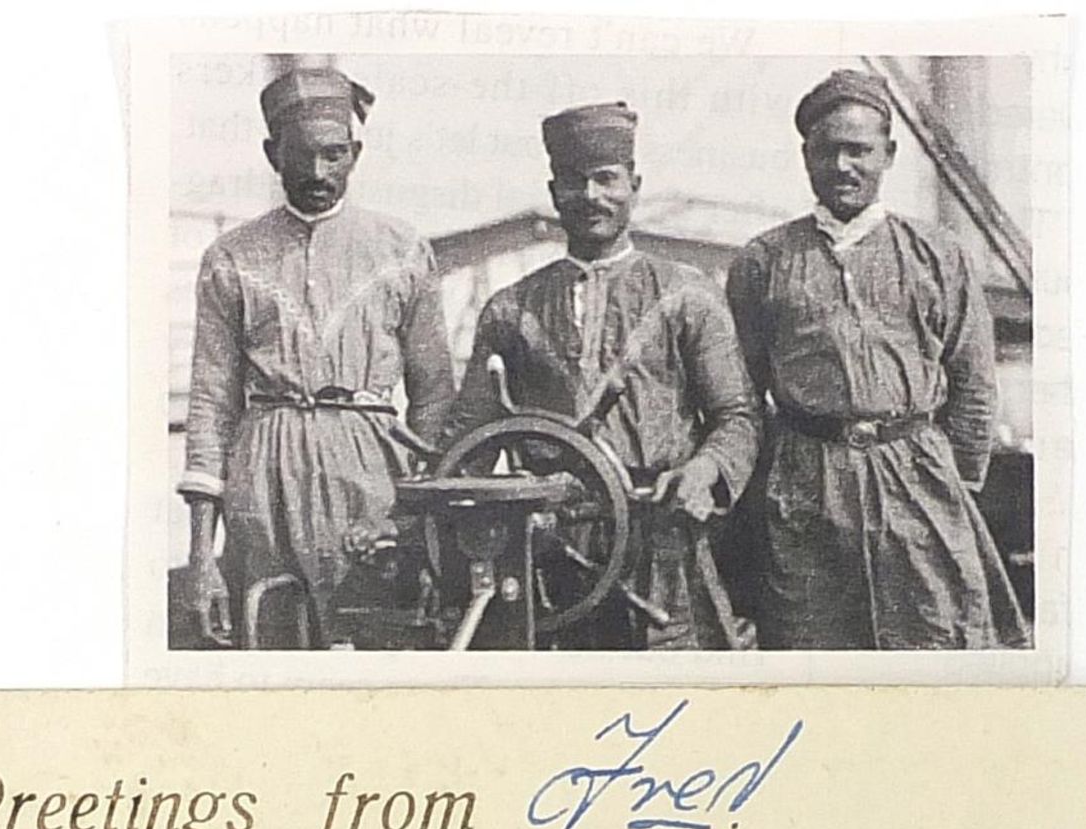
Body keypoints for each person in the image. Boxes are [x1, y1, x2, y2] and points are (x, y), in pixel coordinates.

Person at [726, 69, 1029, 650]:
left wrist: (951, 483)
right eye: (827, 151)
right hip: (804, 492)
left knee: (934, 643)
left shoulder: (937, 253)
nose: (843, 166)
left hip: (919, 482)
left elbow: (972, 386)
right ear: (805, 156)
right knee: (812, 655)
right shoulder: (764, 261)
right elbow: (741, 396)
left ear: (888, 154)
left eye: (859, 150)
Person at [445, 102, 759, 649]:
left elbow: (738, 417)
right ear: (553, 191)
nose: (590, 197)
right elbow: (467, 445)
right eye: (573, 182)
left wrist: (705, 470)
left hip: (661, 549)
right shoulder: (508, 309)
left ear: (634, 185)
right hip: (546, 561)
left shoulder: (689, 294)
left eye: (606, 179)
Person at [178, 66, 455, 646]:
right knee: (273, 647)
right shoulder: (231, 258)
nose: (316, 172)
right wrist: (201, 557)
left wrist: (420, 521)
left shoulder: (401, 250)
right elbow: (209, 407)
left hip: (373, 486)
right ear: (271, 153)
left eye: (333, 155)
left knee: (375, 653)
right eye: (300, 155)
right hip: (263, 492)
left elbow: (434, 395)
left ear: (355, 153)